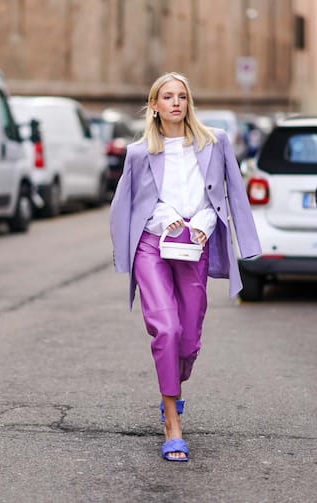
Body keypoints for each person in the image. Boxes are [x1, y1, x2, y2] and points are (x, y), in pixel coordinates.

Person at [110, 72, 261, 462]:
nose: (175, 102)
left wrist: (213, 229)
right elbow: (125, 204)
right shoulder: (140, 152)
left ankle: (173, 386)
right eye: (167, 97)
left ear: (188, 103)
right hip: (152, 246)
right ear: (155, 105)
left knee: (189, 339)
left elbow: (231, 193)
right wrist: (161, 218)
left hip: (194, 245)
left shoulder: (215, 142)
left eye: (182, 96)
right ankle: (172, 420)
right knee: (167, 327)